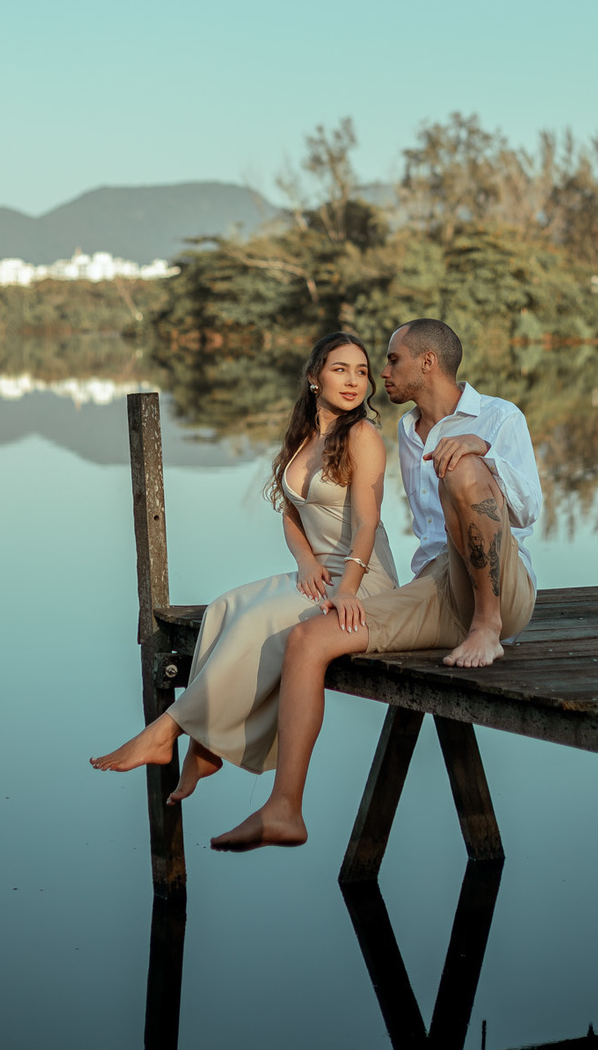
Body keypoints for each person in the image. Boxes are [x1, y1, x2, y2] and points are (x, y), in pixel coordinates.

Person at [210, 318, 542, 852]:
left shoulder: (500, 416)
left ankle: (486, 627)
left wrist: (482, 451)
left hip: (502, 589)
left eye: (391, 360)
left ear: (427, 363)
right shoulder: (407, 431)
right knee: (308, 639)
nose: (381, 374)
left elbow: (528, 510)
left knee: (461, 470)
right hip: (435, 587)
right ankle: (284, 809)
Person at [89, 332, 398, 800]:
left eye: (362, 371)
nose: (354, 381)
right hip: (318, 573)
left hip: (362, 580)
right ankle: (204, 748)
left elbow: (368, 523)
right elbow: (292, 514)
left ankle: (165, 732)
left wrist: (348, 588)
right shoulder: (305, 437)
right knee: (224, 609)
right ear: (314, 377)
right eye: (341, 369)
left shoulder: (363, 436)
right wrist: (306, 561)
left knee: (258, 621)